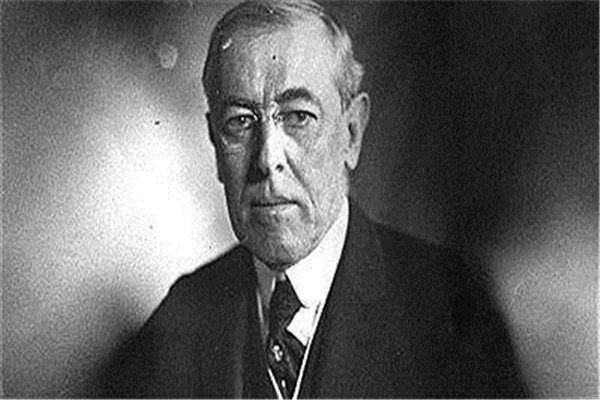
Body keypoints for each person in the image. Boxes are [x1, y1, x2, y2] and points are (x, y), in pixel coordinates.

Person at [103, 0, 528, 398]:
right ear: (215, 145)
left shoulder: (453, 309)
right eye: (240, 122)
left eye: (298, 117)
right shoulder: (180, 323)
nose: (267, 159)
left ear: (351, 134)